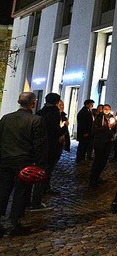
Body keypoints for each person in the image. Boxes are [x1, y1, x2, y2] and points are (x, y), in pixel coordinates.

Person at [0, 92, 47, 237]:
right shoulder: (36, 120)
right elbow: (39, 145)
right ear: (33, 103)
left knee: (3, 192)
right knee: (20, 193)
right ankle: (14, 222)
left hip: (6, 160)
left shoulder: (6, 118)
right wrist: (40, 164)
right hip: (24, 163)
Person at [32, 92, 64, 211]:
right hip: (51, 146)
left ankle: (32, 198)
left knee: (39, 170)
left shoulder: (40, 111)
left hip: (40, 145)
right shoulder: (55, 113)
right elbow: (56, 131)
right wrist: (65, 127)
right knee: (46, 170)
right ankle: (37, 199)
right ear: (56, 102)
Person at [89, 103, 115, 188]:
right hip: (100, 141)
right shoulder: (99, 118)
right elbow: (95, 130)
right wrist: (107, 127)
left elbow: (113, 129)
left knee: (103, 161)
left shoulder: (111, 117)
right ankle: (93, 179)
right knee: (98, 161)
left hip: (108, 141)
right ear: (102, 109)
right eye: (105, 108)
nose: (107, 110)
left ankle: (98, 176)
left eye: (109, 108)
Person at [76, 99, 95, 163]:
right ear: (87, 104)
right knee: (82, 146)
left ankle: (82, 158)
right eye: (91, 104)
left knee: (85, 146)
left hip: (88, 132)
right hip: (84, 132)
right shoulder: (84, 112)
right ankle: (79, 158)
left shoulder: (88, 111)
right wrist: (85, 132)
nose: (92, 105)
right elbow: (83, 123)